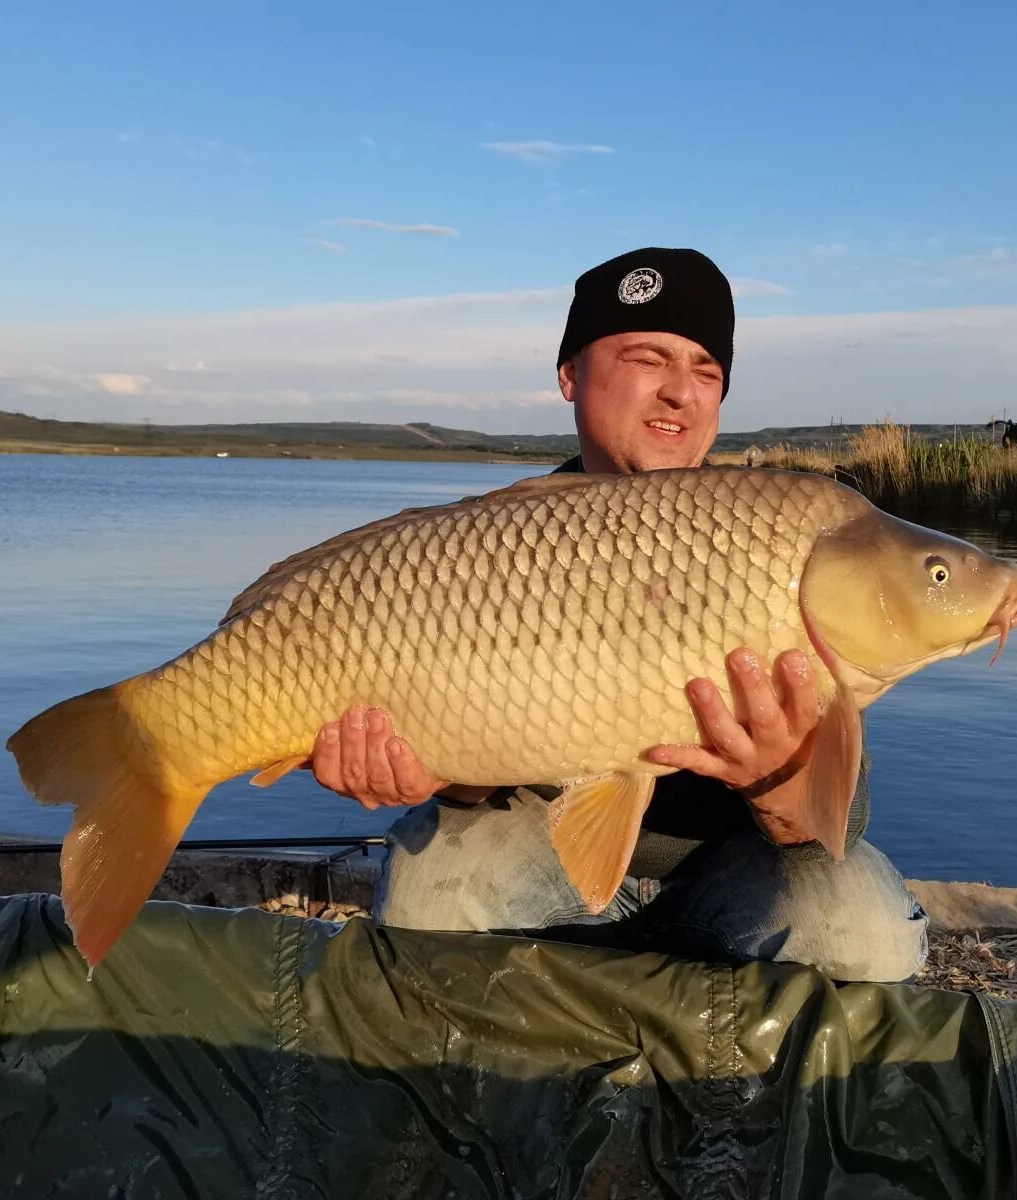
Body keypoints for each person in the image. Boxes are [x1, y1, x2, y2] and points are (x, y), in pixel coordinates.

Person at [308, 247, 929, 982]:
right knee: (435, 886)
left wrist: (780, 785)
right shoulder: (486, 544)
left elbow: (830, 833)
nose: (681, 393)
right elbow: (470, 765)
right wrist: (424, 768)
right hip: (542, 854)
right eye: (648, 358)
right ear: (570, 373)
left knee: (863, 930)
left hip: (733, 872)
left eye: (706, 371)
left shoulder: (772, 536)